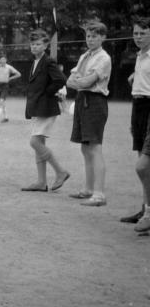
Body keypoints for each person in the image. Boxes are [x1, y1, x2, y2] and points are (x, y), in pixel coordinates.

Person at [66, 21, 112, 207]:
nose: (90, 39)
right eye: (88, 36)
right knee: (85, 148)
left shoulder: (104, 58)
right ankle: (88, 189)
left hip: (94, 102)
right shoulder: (85, 55)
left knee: (94, 147)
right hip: (81, 101)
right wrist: (80, 81)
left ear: (103, 37)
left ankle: (99, 194)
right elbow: (71, 80)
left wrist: (80, 81)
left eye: (94, 36)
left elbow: (87, 82)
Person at [21, 29, 70, 193]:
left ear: (46, 45)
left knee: (34, 142)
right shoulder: (35, 61)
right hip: (38, 108)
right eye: (32, 44)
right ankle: (41, 182)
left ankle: (60, 172)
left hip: (47, 108)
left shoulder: (48, 61)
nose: (34, 47)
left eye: (38, 44)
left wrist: (47, 93)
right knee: (39, 144)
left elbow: (61, 79)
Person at [120, 17, 150, 227]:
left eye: (143, 33)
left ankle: (148, 212)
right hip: (137, 106)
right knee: (142, 159)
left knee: (143, 166)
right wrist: (134, 77)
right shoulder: (141, 56)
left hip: (148, 106)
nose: (138, 37)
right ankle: (144, 209)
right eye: (136, 33)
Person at [0, 55, 21, 123]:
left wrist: (10, 78)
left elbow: (19, 74)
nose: (2, 62)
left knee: (1, 101)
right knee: (2, 102)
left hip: (5, 86)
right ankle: (6, 118)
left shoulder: (9, 67)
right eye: (1, 60)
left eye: (3, 60)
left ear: (6, 61)